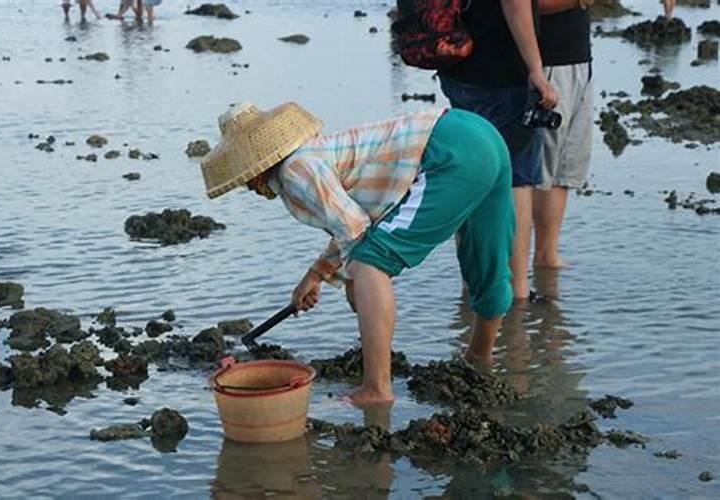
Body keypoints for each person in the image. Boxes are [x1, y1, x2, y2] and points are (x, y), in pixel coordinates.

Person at [201, 102, 516, 406]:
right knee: (486, 260)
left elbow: (355, 229)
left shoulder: (294, 172)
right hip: (475, 133)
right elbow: (350, 224)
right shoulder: (314, 153)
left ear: (256, 169)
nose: (250, 188)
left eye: (245, 180)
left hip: (447, 154)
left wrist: (354, 280)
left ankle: (376, 389)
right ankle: (479, 358)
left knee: (369, 264)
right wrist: (316, 276)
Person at [438, 0, 558, 301]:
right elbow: (515, 4)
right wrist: (536, 69)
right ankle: (515, 291)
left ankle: (472, 285)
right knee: (516, 179)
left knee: (469, 175)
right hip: (502, 74)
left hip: (456, 66)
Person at [534, 0, 594, 268]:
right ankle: (515, 268)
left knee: (563, 171)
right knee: (534, 173)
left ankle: (547, 256)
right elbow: (529, 4)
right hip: (547, 65)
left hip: (579, 60)